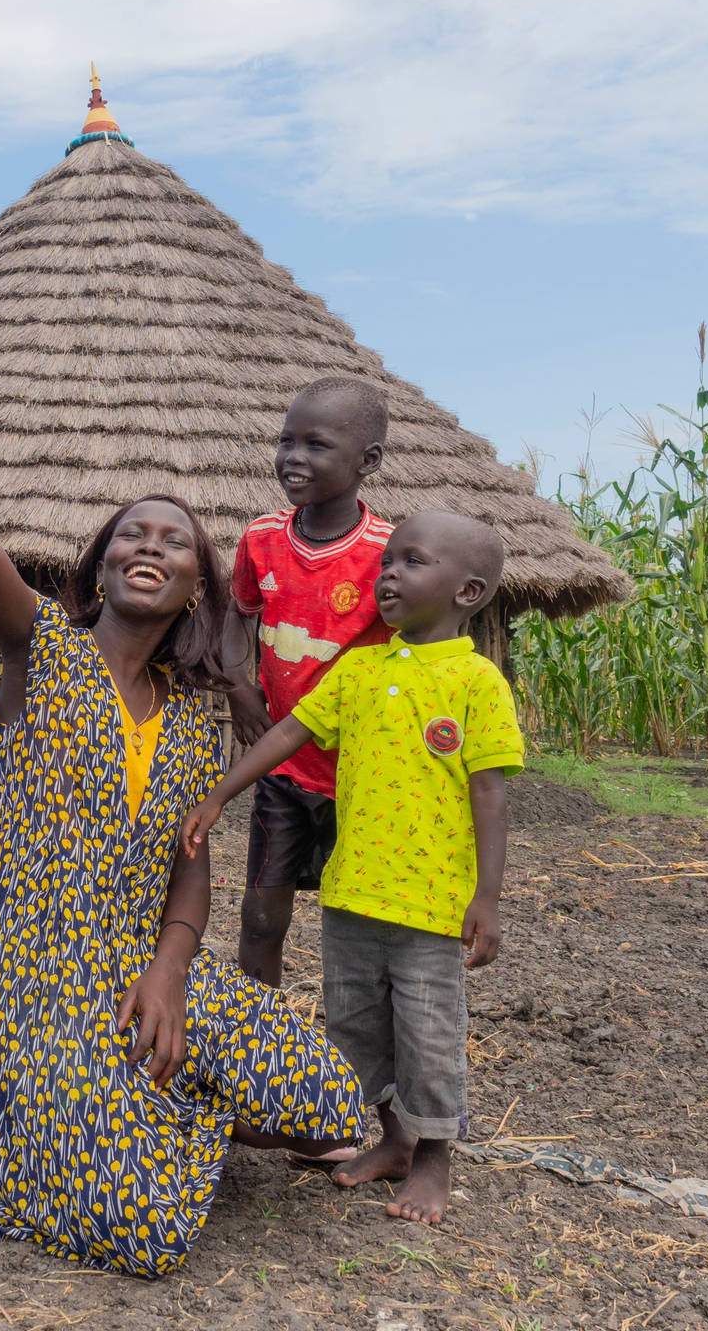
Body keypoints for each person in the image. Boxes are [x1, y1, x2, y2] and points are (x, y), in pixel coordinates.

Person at [0, 248, 364, 1278]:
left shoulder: (194, 716)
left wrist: (168, 975)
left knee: (328, 1106)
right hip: (33, 971)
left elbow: (192, 862)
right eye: (129, 535)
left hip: (139, 963)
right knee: (139, 1229)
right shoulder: (37, 655)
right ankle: (117, 1111)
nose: (150, 545)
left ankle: (139, 1092)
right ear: (99, 565)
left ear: (196, 583)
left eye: (175, 541)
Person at [183, 511, 522, 1226]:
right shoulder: (360, 669)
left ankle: (434, 1161)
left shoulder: (476, 682)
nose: (388, 572)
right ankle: (393, 1141)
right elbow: (287, 731)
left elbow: (490, 793)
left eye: (411, 561)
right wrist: (220, 792)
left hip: (430, 906)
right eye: (387, 560)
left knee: (427, 1033)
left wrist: (489, 896)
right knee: (355, 1026)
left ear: (467, 592)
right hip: (351, 895)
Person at [222, 379, 392, 987]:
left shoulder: (388, 555)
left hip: (359, 776)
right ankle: (257, 1038)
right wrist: (240, 685)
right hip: (283, 769)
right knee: (262, 916)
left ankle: (361, 1055)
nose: (294, 457)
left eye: (316, 444)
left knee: (359, 922)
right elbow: (238, 615)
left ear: (367, 461)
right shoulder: (261, 540)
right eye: (286, 440)